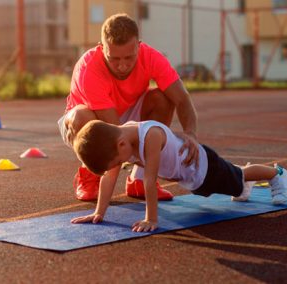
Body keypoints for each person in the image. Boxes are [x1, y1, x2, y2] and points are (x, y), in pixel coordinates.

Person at [58, 13, 199, 201]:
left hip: (128, 112)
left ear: (138, 46)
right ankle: (89, 176)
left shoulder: (152, 57)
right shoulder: (88, 68)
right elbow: (115, 132)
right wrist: (157, 155)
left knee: (162, 99)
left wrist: (190, 133)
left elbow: (182, 99)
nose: (122, 66)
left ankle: (140, 181)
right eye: (114, 59)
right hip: (90, 122)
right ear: (102, 48)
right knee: (82, 116)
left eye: (129, 57)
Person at [71, 120, 287, 232]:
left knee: (239, 176)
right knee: (237, 184)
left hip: (205, 167)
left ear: (120, 144)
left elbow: (149, 179)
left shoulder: (150, 136)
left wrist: (151, 219)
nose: (120, 166)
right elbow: (108, 177)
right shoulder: (120, 141)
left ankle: (277, 173)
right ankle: (244, 183)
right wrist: (98, 212)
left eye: (119, 162)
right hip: (193, 179)